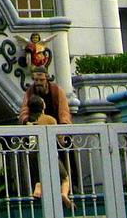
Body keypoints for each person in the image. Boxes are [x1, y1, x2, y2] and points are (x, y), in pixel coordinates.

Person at [22, 78, 73, 208]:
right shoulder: (49, 119)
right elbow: (60, 138)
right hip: (48, 152)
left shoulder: (28, 122)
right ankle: (64, 194)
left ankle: (38, 195)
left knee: (38, 180)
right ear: (42, 106)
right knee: (64, 177)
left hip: (33, 152)